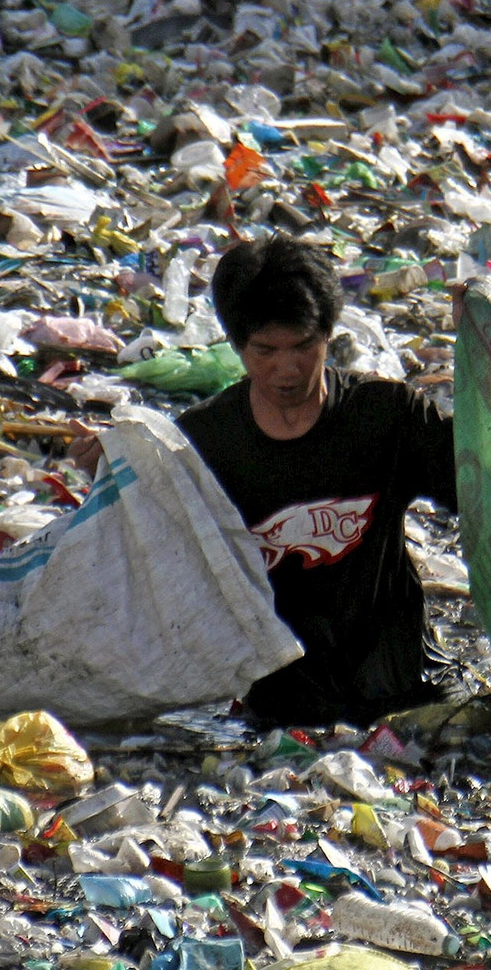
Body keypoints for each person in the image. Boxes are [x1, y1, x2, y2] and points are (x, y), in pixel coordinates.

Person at [170, 234, 459, 725]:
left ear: (328, 334)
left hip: (401, 684)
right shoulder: (202, 444)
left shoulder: (386, 416)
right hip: (281, 700)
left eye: (304, 346)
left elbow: (486, 492)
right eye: (265, 350)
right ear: (237, 345)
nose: (287, 368)